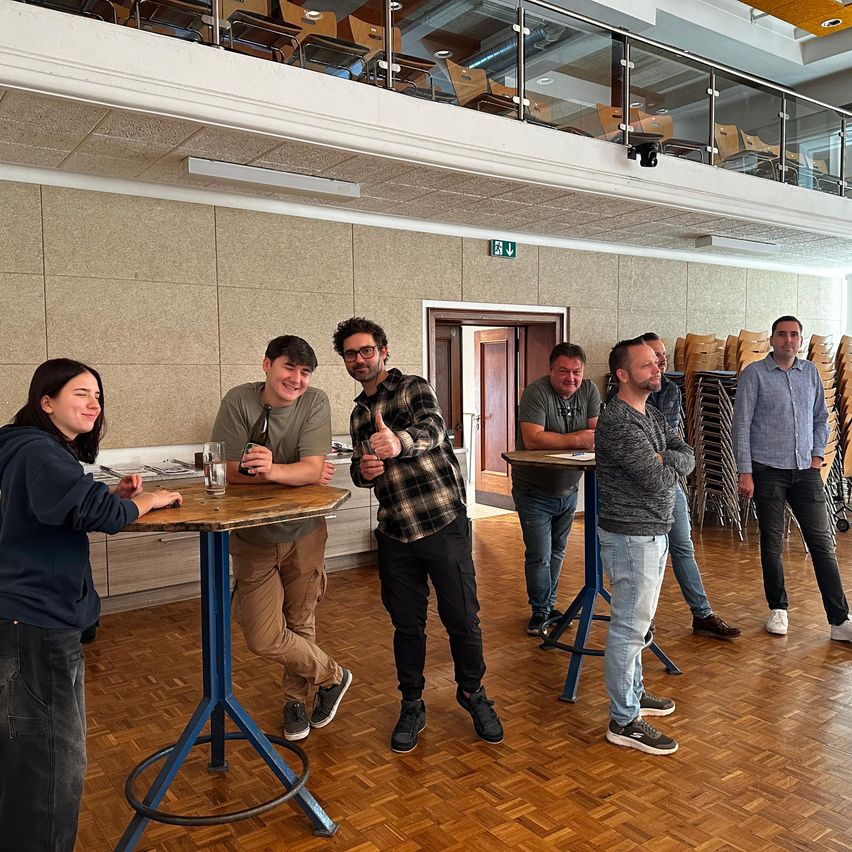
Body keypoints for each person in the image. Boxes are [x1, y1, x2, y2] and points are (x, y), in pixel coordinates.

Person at [0, 358, 182, 852]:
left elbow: (59, 508)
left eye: (97, 395)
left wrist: (110, 495)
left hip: (19, 616)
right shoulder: (40, 451)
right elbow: (99, 514)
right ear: (46, 401)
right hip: (38, 621)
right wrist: (146, 501)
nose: (94, 404)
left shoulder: (21, 446)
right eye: (80, 393)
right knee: (52, 762)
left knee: (24, 753)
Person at [332, 316, 503, 754]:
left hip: (442, 523)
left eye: (367, 350)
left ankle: (473, 693)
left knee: (462, 618)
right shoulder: (358, 414)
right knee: (406, 625)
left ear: (383, 351)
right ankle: (412, 703)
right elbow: (360, 471)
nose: (359, 359)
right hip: (395, 533)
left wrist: (399, 442)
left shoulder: (412, 388)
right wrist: (364, 469)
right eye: (351, 354)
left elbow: (432, 428)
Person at [211, 335, 352, 743]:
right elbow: (224, 469)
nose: (296, 379)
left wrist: (273, 470)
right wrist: (295, 474)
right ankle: (333, 675)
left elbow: (314, 469)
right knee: (263, 635)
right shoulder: (239, 400)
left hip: (305, 530)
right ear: (267, 365)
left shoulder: (315, 401)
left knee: (300, 619)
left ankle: (294, 702)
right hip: (254, 535)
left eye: (305, 372)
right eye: (289, 367)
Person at [596, 338, 695, 755]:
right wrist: (667, 463)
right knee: (628, 627)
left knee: (640, 624)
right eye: (647, 365)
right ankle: (624, 720)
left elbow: (687, 453)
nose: (657, 369)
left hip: (652, 530)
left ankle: (634, 693)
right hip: (631, 536)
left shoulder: (650, 414)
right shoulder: (619, 422)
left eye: (656, 362)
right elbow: (656, 481)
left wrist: (665, 459)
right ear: (622, 374)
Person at [732, 315, 852, 641]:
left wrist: (817, 455)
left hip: (806, 471)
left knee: (822, 543)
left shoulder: (810, 372)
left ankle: (839, 620)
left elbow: (821, 417)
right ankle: (778, 609)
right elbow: (741, 425)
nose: (788, 340)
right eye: (782, 334)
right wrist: (745, 471)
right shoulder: (755, 374)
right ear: (772, 339)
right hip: (767, 470)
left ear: (800, 340)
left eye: (794, 335)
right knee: (772, 543)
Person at [638, 332, 740, 639]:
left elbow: (671, 443)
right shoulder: (622, 394)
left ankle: (702, 615)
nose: (662, 360)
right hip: (637, 491)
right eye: (655, 355)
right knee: (646, 558)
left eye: (663, 354)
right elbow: (639, 448)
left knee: (683, 548)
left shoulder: (670, 389)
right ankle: (643, 620)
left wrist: (660, 454)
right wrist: (657, 452)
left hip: (669, 483)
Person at [512, 342, 600, 635]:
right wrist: (577, 438)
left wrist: (577, 438)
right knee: (540, 554)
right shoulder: (535, 393)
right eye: (563, 371)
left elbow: (595, 435)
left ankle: (549, 605)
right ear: (551, 370)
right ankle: (539, 611)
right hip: (533, 489)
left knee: (558, 551)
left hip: (569, 488)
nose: (570, 378)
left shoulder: (590, 390)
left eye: (576, 372)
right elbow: (533, 439)